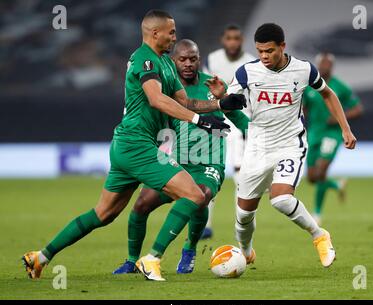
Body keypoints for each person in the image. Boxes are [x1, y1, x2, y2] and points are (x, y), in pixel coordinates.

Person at [21, 9, 246, 280]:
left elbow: (185, 101)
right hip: (137, 145)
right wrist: (200, 120)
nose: (175, 36)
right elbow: (157, 100)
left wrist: (220, 104)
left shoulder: (164, 62)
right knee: (195, 195)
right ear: (155, 33)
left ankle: (40, 257)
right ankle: (151, 259)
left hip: (127, 146)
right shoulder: (144, 60)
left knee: (103, 214)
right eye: (171, 32)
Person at [112, 39, 249, 276]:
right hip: (177, 162)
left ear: (199, 59)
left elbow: (241, 122)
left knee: (201, 196)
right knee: (142, 204)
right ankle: (132, 260)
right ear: (172, 61)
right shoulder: (164, 89)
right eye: (182, 59)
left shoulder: (213, 86)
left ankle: (186, 250)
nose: (188, 64)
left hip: (209, 163)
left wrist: (264, 140)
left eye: (193, 59)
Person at [226, 23, 357, 268]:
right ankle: (246, 251)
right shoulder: (246, 72)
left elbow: (327, 94)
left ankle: (319, 235)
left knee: (281, 200)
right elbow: (229, 101)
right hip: (256, 148)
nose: (264, 56)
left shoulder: (304, 70)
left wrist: (345, 128)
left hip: (290, 144)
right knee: (243, 216)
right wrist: (224, 99)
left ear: (282, 46)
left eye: (269, 51)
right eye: (259, 51)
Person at [201, 24, 256, 239]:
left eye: (236, 38)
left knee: (241, 175)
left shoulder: (251, 62)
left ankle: (240, 224)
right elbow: (204, 89)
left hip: (241, 122)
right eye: (229, 38)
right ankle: (205, 224)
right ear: (223, 40)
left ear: (241, 40)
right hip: (216, 120)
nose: (233, 42)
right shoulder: (212, 60)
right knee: (211, 171)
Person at [303, 52, 363, 226]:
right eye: (322, 64)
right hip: (314, 133)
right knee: (312, 177)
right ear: (317, 65)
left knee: (321, 171)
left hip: (332, 134)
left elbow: (357, 109)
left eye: (328, 64)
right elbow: (303, 106)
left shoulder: (340, 87)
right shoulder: (310, 87)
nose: (325, 67)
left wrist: (339, 118)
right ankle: (337, 186)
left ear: (332, 67)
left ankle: (317, 213)